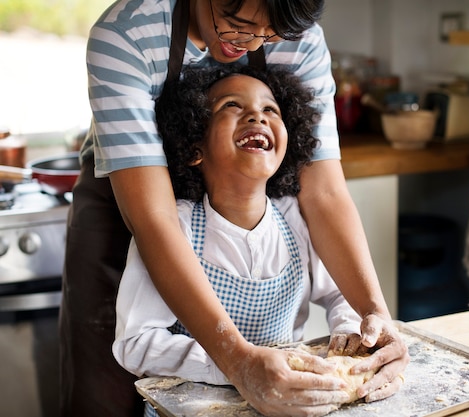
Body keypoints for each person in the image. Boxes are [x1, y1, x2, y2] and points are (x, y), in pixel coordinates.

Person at [60, 1, 409, 416]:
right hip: (129, 202)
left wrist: (375, 315)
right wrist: (237, 361)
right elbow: (154, 218)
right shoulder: (127, 34)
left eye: (269, 35)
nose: (251, 43)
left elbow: (324, 194)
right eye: (237, 25)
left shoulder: (296, 38)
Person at [115, 64, 369, 416]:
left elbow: (340, 293)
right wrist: (232, 366)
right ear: (193, 148)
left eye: (270, 110)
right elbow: (136, 344)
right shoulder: (174, 227)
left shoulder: (297, 219)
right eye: (232, 106)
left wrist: (347, 334)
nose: (256, 116)